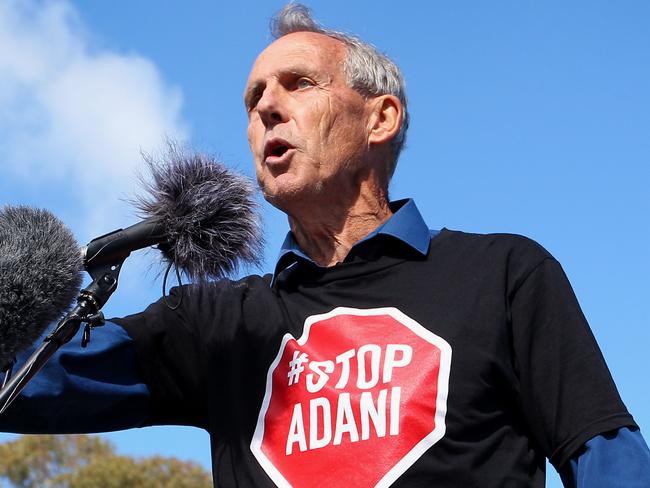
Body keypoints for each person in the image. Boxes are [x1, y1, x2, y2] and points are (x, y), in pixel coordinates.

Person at [1, 3, 649, 487]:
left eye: (299, 84)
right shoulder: (215, 324)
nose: (266, 110)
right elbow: (25, 384)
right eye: (254, 99)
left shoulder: (504, 273)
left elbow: (604, 453)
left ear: (381, 118)